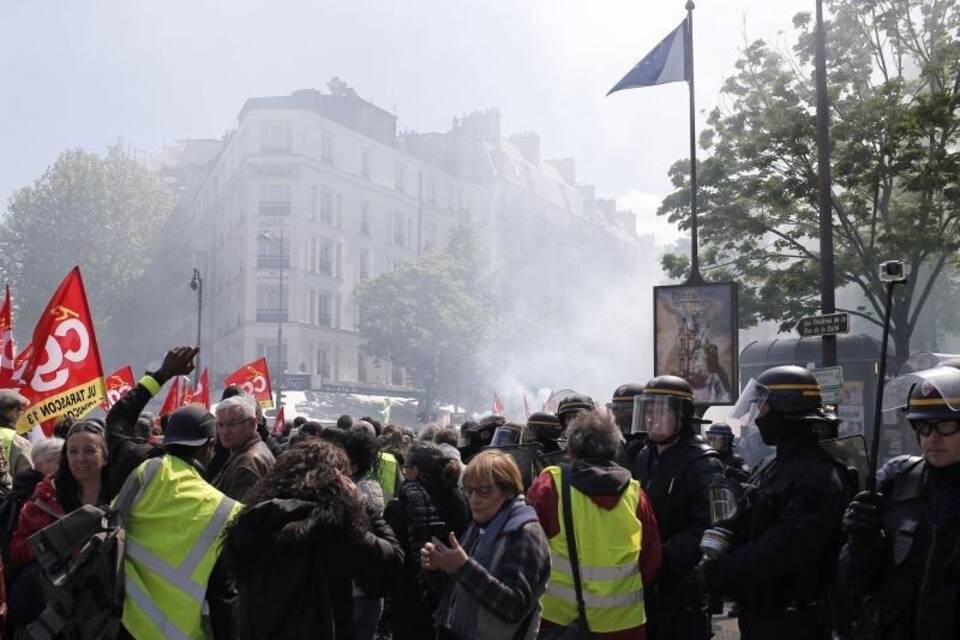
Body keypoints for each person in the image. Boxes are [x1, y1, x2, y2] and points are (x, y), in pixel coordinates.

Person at [703, 365, 848, 640]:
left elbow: (780, 550)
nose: (757, 417)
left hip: (795, 622)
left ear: (786, 408)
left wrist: (720, 571)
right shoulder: (775, 465)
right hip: (761, 617)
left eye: (763, 407)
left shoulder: (819, 476)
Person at [222, 438, 402, 640]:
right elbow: (393, 555)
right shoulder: (332, 526)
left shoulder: (257, 518)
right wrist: (359, 504)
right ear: (335, 482)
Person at [839, 365, 960, 639]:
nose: (933, 438)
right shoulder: (898, 482)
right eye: (924, 426)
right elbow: (856, 583)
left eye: (947, 425)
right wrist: (861, 542)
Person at [528, 409, 661, 640]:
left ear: (570, 448)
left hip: (560, 623)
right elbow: (651, 561)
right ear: (614, 448)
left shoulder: (550, 486)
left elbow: (527, 554)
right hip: (625, 626)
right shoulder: (635, 494)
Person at [117, 403, 241, 640]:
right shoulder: (226, 510)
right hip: (179, 632)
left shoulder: (147, 472)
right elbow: (223, 594)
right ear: (210, 446)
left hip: (124, 620)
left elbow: (112, 527)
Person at [630, 375, 722, 640]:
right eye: (648, 410)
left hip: (682, 590)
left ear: (682, 415)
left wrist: (662, 555)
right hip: (646, 585)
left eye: (660, 410)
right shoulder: (646, 456)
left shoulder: (703, 462)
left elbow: (710, 528)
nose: (651, 417)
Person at [425, 450, 550, 640]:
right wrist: (437, 568)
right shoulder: (480, 525)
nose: (474, 499)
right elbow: (457, 592)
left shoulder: (523, 533)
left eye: (484, 491)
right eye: (468, 491)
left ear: (508, 490)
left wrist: (463, 567)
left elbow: (514, 607)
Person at [6, 421, 107, 635]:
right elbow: (18, 548)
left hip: (100, 608)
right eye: (72, 451)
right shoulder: (44, 496)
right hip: (51, 610)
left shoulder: (120, 495)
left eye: (89, 450)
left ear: (105, 456)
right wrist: (54, 547)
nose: (80, 458)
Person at [386, 441, 470, 640]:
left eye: (407, 467)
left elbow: (395, 550)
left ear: (416, 470)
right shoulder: (458, 496)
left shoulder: (406, 500)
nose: (405, 473)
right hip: (449, 591)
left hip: (411, 592)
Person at [104, 346, 199, 499]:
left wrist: (162, 374)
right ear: (208, 447)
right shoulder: (202, 492)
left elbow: (119, 414)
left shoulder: (130, 458)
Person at [211, 394, 276, 502]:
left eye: (232, 425)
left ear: (252, 423)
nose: (225, 432)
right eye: (220, 425)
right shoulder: (245, 452)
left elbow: (236, 514)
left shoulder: (248, 463)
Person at [0, 389, 34, 493]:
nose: (21, 415)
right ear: (13, 412)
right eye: (21, 410)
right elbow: (28, 484)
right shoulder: (20, 443)